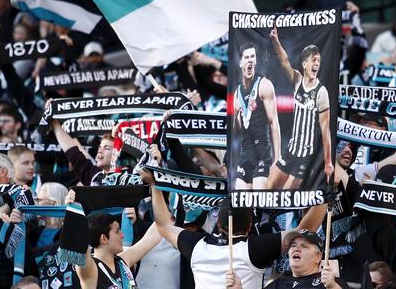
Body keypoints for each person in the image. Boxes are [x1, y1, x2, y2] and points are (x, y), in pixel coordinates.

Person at [138, 167, 326, 289]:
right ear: (250, 225)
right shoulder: (255, 248)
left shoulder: (196, 245)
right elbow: (304, 231)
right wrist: (324, 197)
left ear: (218, 224)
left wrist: (155, 184)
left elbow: (162, 225)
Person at [267, 28, 333, 190]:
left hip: (305, 157)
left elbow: (325, 131)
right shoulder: (297, 80)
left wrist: (328, 162)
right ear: (305, 64)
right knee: (267, 188)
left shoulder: (321, 92)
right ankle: (262, 216)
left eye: (318, 60)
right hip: (291, 151)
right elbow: (284, 60)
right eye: (313, 60)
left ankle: (280, 215)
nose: (317, 63)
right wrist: (276, 42)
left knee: (285, 196)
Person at [66, 190, 162, 289]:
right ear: (103, 238)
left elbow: (153, 235)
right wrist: (74, 210)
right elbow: (80, 246)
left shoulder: (123, 262)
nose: (122, 235)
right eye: (117, 231)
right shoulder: (91, 270)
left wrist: (157, 188)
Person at [232, 42, 281, 189]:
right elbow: (238, 129)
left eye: (252, 56)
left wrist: (277, 159)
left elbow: (274, 123)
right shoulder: (237, 93)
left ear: (256, 61)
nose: (250, 60)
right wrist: (235, 114)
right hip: (244, 155)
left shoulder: (264, 85)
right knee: (240, 206)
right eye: (246, 57)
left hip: (262, 154)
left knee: (259, 202)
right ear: (241, 62)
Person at [261, 230, 348, 289]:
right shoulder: (277, 284)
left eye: (304, 246)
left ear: (318, 257)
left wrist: (333, 287)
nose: (297, 249)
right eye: (293, 245)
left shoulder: (329, 281)